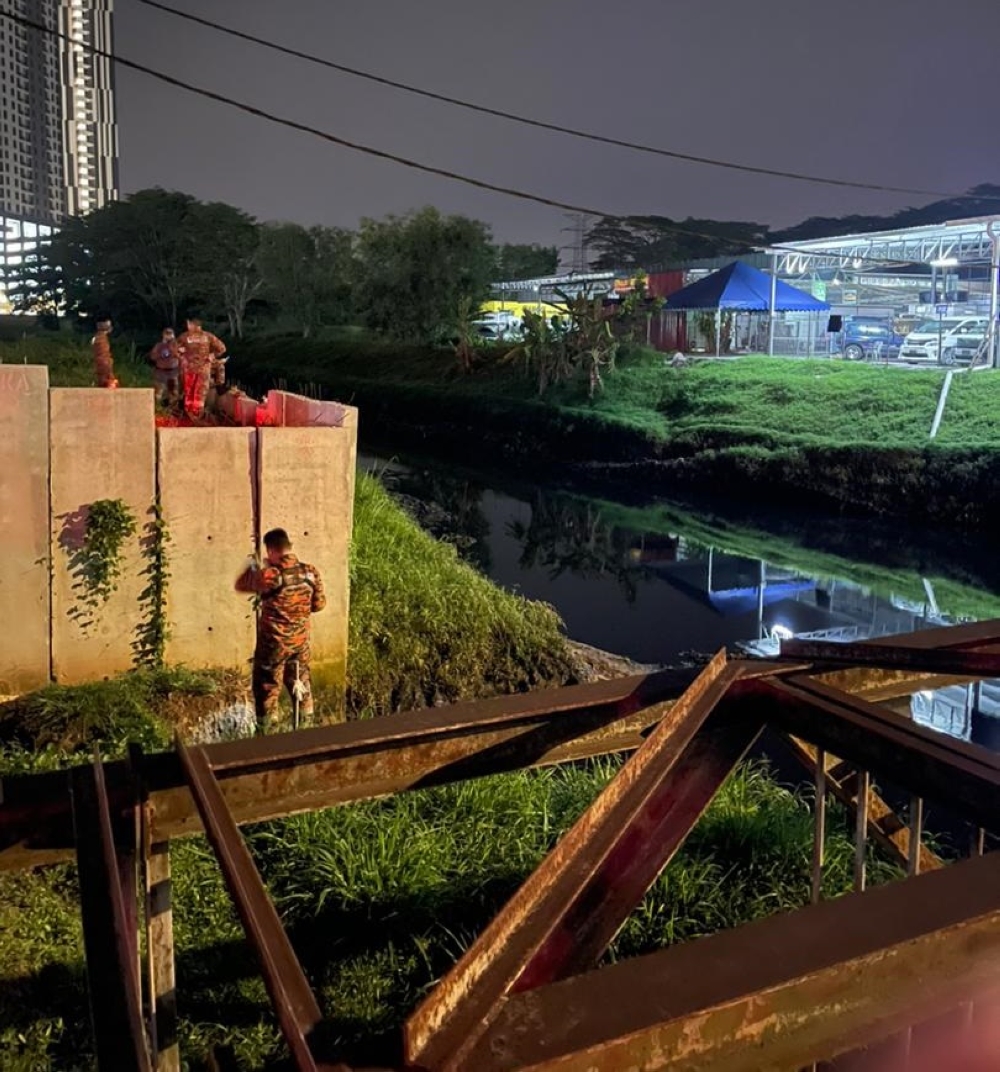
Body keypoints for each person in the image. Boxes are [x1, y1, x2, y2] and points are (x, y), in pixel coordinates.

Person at [234, 528, 326, 734]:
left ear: (272, 549)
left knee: (267, 687)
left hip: (273, 645)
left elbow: (241, 584)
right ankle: (306, 730)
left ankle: (268, 736)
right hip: (300, 643)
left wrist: (253, 568)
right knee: (301, 682)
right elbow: (319, 605)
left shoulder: (272, 575)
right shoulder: (311, 572)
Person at [176, 316, 226, 419]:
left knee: (195, 391)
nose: (188, 326)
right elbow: (222, 348)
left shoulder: (203, 336)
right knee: (196, 392)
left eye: (189, 324)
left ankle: (194, 414)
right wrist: (181, 357)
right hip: (195, 369)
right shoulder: (187, 336)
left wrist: (212, 356)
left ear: (194, 325)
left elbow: (222, 348)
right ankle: (193, 414)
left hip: (198, 369)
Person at [148, 327, 180, 407]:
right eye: (166, 334)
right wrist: (161, 353)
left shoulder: (177, 345)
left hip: (173, 372)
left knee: (174, 392)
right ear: (163, 335)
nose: (168, 336)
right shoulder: (159, 345)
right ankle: (158, 409)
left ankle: (172, 409)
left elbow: (179, 355)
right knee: (158, 392)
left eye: (170, 334)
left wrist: (171, 346)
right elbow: (152, 356)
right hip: (161, 372)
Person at [92, 318, 117, 388]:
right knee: (107, 383)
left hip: (100, 363)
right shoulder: (101, 338)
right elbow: (103, 354)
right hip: (103, 364)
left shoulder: (97, 337)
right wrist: (108, 364)